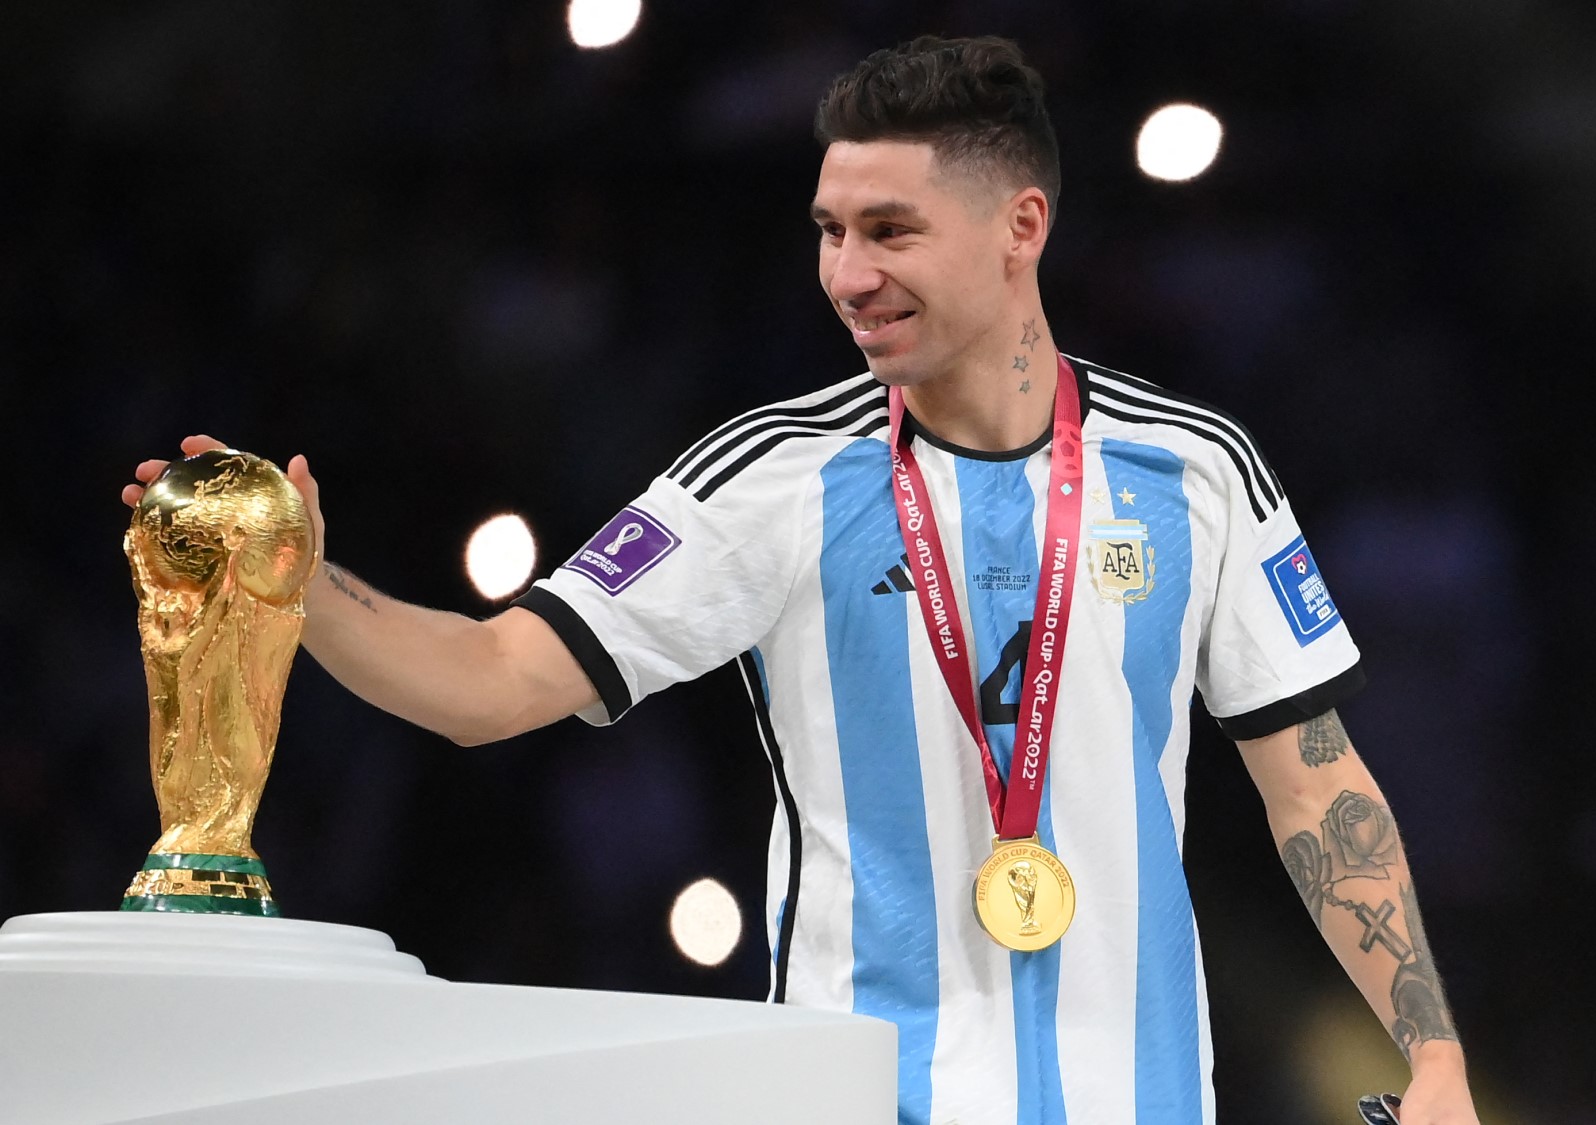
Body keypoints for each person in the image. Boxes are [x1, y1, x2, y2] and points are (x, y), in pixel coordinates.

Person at [124, 35, 1480, 1125]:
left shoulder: (1197, 471)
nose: (847, 273)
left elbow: (1317, 784)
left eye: (890, 230)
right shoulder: (771, 479)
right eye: (830, 231)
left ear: (1020, 226)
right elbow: (494, 680)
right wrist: (303, 583)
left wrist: (1431, 1053)